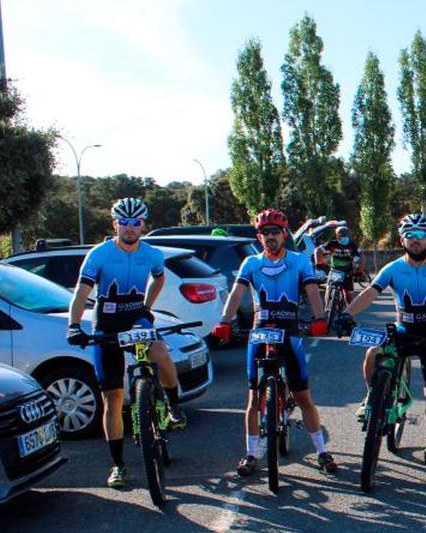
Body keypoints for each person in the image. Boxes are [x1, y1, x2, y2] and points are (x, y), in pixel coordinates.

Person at [66, 197, 185, 490]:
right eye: (124, 223)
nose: (130, 228)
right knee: (113, 397)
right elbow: (82, 292)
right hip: (106, 322)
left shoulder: (152, 254)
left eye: (135, 223)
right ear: (115, 224)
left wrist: (147, 305)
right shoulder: (100, 254)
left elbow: (159, 279)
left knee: (160, 353)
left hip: (136, 317)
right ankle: (118, 465)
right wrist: (73, 324)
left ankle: (172, 406)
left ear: (143, 225)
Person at [211, 209, 333, 476]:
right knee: (254, 398)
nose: (271, 237)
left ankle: (322, 452)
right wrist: (224, 321)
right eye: (265, 233)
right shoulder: (251, 263)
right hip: (259, 330)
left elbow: (312, 290)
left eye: (275, 232)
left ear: (284, 234)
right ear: (259, 236)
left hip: (289, 330)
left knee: (303, 397)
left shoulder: (300, 262)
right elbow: (236, 293)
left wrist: (319, 317)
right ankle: (251, 454)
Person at [339, 213, 426, 468]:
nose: (415, 240)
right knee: (373, 352)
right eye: (410, 236)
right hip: (403, 331)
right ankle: (372, 396)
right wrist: (346, 314)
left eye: (420, 235)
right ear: (402, 240)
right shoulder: (393, 268)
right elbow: (371, 293)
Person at [314, 224, 364, 308]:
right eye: (342, 235)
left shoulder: (352, 245)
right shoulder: (332, 243)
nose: (344, 237)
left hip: (347, 272)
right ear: (337, 236)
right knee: (329, 289)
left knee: (348, 296)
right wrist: (318, 264)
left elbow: (362, 256)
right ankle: (327, 309)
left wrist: (359, 271)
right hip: (334, 271)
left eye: (346, 235)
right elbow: (317, 250)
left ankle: (351, 317)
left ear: (349, 236)